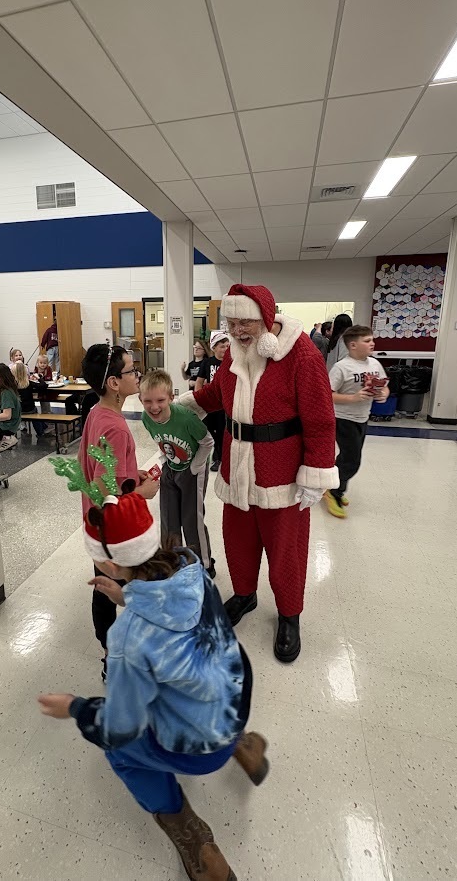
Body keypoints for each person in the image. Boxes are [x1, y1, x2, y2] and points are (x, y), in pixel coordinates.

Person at [38, 485, 268, 881]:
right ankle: (242, 744)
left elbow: (121, 723)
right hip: (234, 699)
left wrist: (75, 707)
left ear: (109, 566)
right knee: (202, 677)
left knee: (119, 749)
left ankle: (190, 835)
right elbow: (172, 611)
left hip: (198, 747)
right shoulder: (192, 567)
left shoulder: (128, 636)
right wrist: (129, 595)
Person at [179, 284, 337, 664]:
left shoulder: (301, 353)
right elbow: (217, 394)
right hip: (237, 469)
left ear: (265, 317)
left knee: (286, 552)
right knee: (238, 542)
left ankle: (289, 614)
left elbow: (319, 418)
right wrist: (180, 407)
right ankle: (246, 594)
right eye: (231, 322)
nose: (237, 329)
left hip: (281, 474)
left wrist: (315, 471)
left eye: (245, 321)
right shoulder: (235, 353)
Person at [80, 343, 160, 680]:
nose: (137, 375)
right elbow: (102, 487)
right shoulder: (113, 425)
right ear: (114, 382)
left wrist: (132, 477)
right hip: (116, 529)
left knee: (106, 583)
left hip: (99, 525)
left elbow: (107, 470)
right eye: (131, 370)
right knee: (118, 590)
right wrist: (142, 492)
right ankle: (115, 656)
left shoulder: (99, 413)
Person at [140, 369, 215, 575]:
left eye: (160, 400)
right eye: (148, 401)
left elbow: (207, 442)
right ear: (140, 399)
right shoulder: (146, 419)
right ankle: (171, 562)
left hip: (193, 469)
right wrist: (165, 459)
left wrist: (194, 468)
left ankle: (204, 565)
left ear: (171, 398)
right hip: (171, 467)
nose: (154, 407)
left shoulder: (186, 418)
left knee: (192, 519)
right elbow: (162, 440)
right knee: (168, 517)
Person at [325, 326, 389, 519]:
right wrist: (352, 398)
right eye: (367, 340)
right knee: (352, 460)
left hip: (363, 418)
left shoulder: (375, 364)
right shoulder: (342, 367)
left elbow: (385, 386)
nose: (372, 343)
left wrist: (383, 395)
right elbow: (327, 395)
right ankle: (334, 492)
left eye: (372, 340)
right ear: (353, 345)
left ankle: (331, 483)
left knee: (347, 457)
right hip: (343, 418)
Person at [195, 330, 229, 472]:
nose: (225, 349)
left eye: (228, 346)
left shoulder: (231, 363)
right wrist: (197, 400)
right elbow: (199, 382)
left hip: (224, 406)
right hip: (209, 404)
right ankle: (211, 454)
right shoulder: (207, 363)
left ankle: (219, 458)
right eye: (222, 346)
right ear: (214, 347)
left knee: (222, 432)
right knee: (207, 430)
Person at [11, 361, 48, 438]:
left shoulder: (11, 385)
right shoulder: (28, 383)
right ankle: (40, 432)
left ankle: (43, 426)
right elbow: (43, 386)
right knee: (35, 413)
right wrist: (39, 378)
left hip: (17, 411)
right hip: (29, 409)